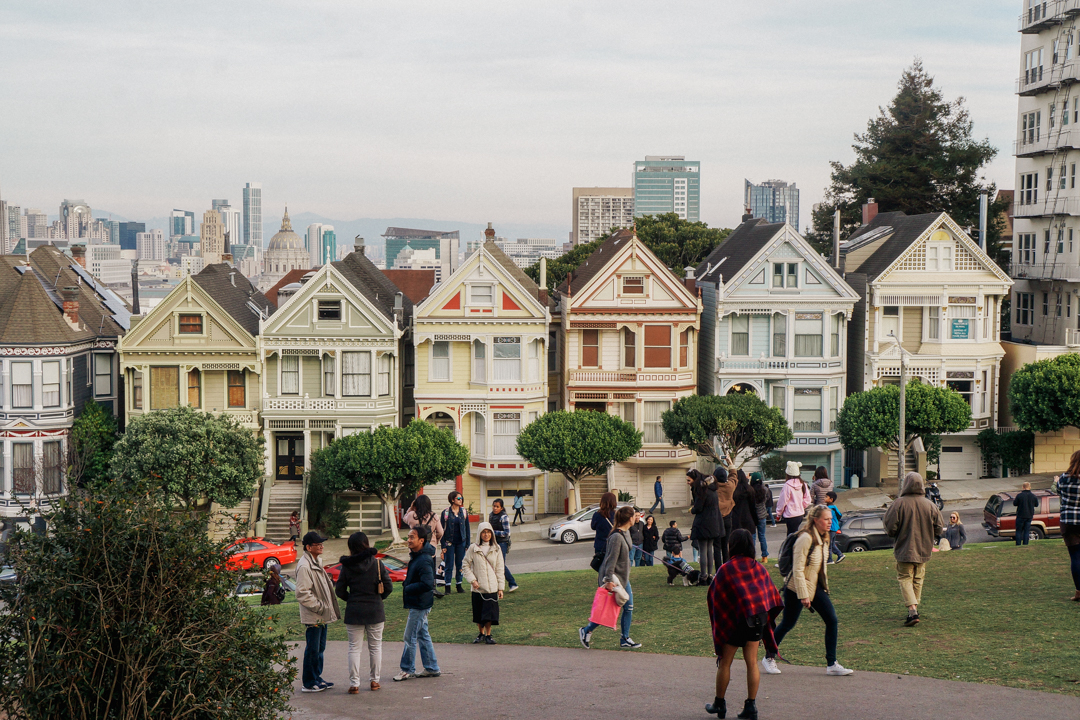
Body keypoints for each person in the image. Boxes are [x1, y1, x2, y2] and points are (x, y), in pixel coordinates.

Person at [760, 505, 854, 678]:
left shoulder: (824, 538)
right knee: (788, 623)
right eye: (826, 519)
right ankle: (769, 657)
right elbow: (797, 570)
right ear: (815, 520)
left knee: (832, 620)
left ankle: (832, 663)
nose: (830, 522)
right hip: (796, 588)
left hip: (815, 587)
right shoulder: (805, 538)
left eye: (831, 519)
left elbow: (819, 568)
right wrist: (803, 595)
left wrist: (822, 588)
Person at [706, 529, 784, 719]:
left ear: (731, 545)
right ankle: (751, 707)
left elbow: (715, 597)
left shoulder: (726, 569)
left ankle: (719, 704)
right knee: (752, 663)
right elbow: (770, 596)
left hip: (734, 623)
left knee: (725, 663)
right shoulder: (758, 568)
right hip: (756, 622)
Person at [883, 472, 945, 627]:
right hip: (924, 549)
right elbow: (939, 527)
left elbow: (890, 527)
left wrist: (895, 533)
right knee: (918, 579)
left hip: (904, 548)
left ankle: (912, 610)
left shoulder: (898, 503)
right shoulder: (929, 504)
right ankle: (914, 610)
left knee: (905, 578)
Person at [335, 531, 393, 693]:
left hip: (354, 610)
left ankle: (354, 684)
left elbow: (339, 590)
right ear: (366, 544)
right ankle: (375, 681)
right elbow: (388, 587)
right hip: (375, 609)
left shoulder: (346, 566)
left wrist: (351, 598)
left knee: (354, 648)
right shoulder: (377, 564)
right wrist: (378, 598)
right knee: (375, 647)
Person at [579, 505, 640, 649]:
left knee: (628, 606)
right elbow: (610, 560)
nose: (636, 518)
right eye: (635, 516)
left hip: (623, 577)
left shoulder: (626, 533)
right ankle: (586, 630)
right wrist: (608, 581)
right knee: (606, 610)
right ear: (630, 519)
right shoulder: (616, 537)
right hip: (613, 578)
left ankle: (625, 638)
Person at [295, 530, 342, 692]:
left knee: (319, 648)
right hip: (314, 616)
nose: (321, 546)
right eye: (318, 544)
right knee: (313, 649)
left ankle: (317, 677)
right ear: (308, 547)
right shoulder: (304, 566)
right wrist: (320, 607)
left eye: (322, 543)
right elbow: (302, 593)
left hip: (321, 615)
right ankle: (308, 682)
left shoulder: (315, 562)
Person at [394, 525, 441, 681]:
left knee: (409, 636)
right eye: (408, 537)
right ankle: (432, 667)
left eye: (412, 537)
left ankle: (407, 669)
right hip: (418, 602)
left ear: (421, 540)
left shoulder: (424, 559)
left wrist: (408, 588)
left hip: (420, 604)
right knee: (422, 634)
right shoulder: (417, 556)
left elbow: (428, 584)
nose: (409, 540)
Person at [461, 521, 505, 644]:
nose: (486, 535)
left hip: (491, 586)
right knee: (479, 612)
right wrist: (472, 580)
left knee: (489, 612)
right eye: (484, 532)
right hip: (478, 587)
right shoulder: (473, 548)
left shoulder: (496, 548)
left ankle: (488, 635)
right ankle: (481, 633)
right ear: (480, 534)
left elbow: (500, 568)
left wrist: (500, 587)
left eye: (488, 532)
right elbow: (465, 565)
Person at [1055, 451, 1080, 602]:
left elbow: (1058, 491)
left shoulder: (1064, 478)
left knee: (1076, 556)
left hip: (1069, 521)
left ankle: (1079, 591)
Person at [690, 469, 723, 578]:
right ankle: (709, 574)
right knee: (709, 550)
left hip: (703, 523)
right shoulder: (713, 491)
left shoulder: (703, 492)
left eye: (689, 480)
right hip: (713, 523)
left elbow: (698, 507)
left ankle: (703, 575)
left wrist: (692, 510)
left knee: (702, 550)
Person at [439, 491, 470, 594]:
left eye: (461, 498)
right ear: (452, 500)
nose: (460, 500)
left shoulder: (464, 512)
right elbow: (441, 530)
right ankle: (447, 586)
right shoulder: (446, 512)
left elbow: (467, 529)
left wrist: (467, 544)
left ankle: (459, 585)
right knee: (449, 565)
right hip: (449, 542)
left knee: (460, 564)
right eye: (458, 498)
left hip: (461, 542)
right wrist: (443, 545)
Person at [489, 499, 519, 592]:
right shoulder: (491, 515)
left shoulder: (504, 517)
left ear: (501, 508)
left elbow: (506, 533)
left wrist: (493, 533)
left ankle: (512, 583)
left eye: (497, 506)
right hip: (493, 542)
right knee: (492, 563)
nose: (495, 508)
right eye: (494, 506)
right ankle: (495, 585)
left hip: (502, 542)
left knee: (500, 564)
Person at [775, 461, 811, 535]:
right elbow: (808, 499)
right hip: (800, 514)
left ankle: (791, 546)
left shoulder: (787, 485)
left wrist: (778, 514)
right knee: (795, 533)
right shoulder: (803, 484)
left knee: (790, 535)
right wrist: (801, 506)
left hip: (790, 514)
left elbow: (783, 501)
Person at [591, 492, 618, 571]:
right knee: (613, 568)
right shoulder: (616, 514)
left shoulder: (597, 515)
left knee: (602, 569)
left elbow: (593, 527)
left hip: (600, 545)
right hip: (614, 544)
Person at [715, 466, 736, 565]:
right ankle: (727, 566)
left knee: (717, 546)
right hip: (728, 518)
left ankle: (719, 569)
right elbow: (734, 477)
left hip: (716, 519)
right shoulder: (730, 487)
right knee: (725, 545)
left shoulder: (713, 489)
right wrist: (731, 466)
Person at [730, 469, 759, 536]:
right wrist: (755, 521)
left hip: (735, 521)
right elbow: (753, 507)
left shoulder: (733, 491)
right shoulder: (750, 490)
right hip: (748, 520)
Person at [749, 473, 770, 563]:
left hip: (752, 516)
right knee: (762, 536)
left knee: (752, 537)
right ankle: (764, 556)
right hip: (762, 516)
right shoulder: (765, 490)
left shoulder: (750, 490)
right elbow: (767, 499)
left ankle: (752, 556)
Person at [1013, 482, 1039, 546]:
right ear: (1030, 487)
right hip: (1029, 515)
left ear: (1023, 487)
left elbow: (1015, 503)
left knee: (1019, 530)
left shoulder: (1019, 495)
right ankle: (1025, 543)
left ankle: (1018, 544)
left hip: (1020, 515)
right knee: (1026, 530)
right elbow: (1036, 505)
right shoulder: (1033, 496)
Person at [824, 491, 845, 564]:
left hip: (831, 527)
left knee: (829, 544)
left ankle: (830, 559)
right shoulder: (834, 507)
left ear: (831, 499)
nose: (824, 498)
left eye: (826, 497)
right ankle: (839, 555)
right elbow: (839, 515)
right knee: (832, 543)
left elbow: (828, 518)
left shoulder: (829, 508)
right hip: (834, 527)